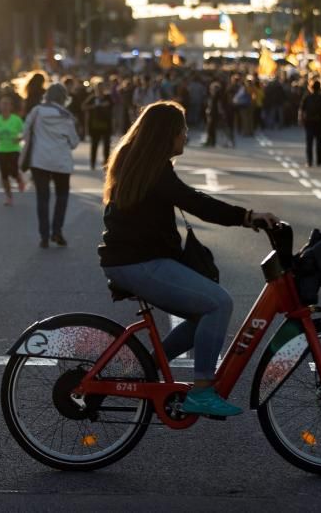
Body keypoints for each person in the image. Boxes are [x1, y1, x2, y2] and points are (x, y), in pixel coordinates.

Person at [98, 101, 278, 418]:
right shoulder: (155, 171)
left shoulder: (138, 162)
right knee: (218, 303)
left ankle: (147, 368)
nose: (186, 136)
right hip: (138, 262)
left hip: (132, 259)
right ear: (167, 134)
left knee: (202, 314)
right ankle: (203, 392)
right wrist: (248, 217)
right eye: (182, 129)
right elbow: (198, 203)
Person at [25, 83, 79, 248]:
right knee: (61, 197)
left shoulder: (37, 111)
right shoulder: (66, 116)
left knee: (43, 198)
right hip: (61, 161)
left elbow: (25, 131)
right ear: (64, 98)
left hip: (39, 160)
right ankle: (57, 231)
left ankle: (44, 236)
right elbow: (75, 142)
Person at [0, 95, 26, 205]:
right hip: (1, 149)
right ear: (0, 106)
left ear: (11, 106)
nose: (4, 106)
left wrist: (19, 138)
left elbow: (25, 132)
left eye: (7, 104)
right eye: (2, 104)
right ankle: (9, 196)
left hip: (14, 149)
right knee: (4, 175)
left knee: (13, 170)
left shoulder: (16, 120)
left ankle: (19, 179)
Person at [82, 81, 113, 170]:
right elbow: (83, 106)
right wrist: (94, 106)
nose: (100, 90)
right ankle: (92, 163)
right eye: (98, 88)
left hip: (106, 125)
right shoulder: (92, 98)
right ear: (95, 89)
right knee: (94, 145)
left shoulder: (108, 98)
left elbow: (113, 105)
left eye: (101, 88)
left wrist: (106, 105)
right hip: (94, 126)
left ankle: (106, 164)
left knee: (106, 146)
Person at [298, 79, 321, 166]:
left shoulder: (307, 97)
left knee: (309, 142)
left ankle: (309, 161)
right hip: (319, 121)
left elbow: (301, 110)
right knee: (319, 142)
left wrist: (300, 119)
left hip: (309, 121)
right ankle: (319, 160)